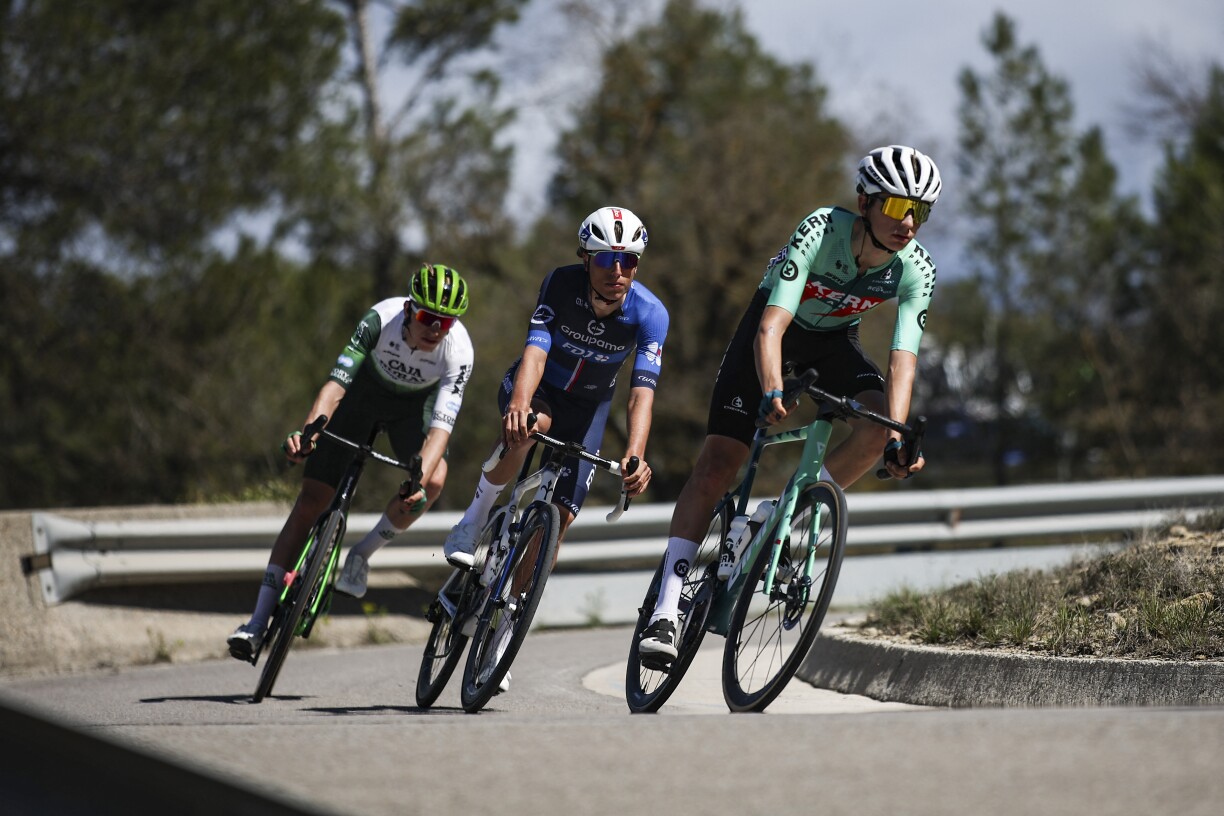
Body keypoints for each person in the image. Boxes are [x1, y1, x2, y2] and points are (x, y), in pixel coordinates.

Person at [638, 144, 941, 662]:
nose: (908, 222)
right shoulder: (821, 229)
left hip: (833, 342)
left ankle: (781, 513)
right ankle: (667, 607)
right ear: (865, 202)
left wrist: (896, 433)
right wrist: (773, 386)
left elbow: (902, 361)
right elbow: (771, 325)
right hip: (774, 330)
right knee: (718, 464)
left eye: (921, 210)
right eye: (896, 207)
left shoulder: (917, 269)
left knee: (875, 424)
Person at [441, 206, 669, 692]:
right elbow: (537, 351)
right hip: (542, 389)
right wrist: (519, 404)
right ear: (586, 258)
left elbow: (641, 392)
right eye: (608, 260)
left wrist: (635, 454)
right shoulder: (561, 284)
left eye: (630, 261)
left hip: (588, 410)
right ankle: (474, 519)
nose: (619, 272)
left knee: (560, 518)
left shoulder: (650, 314)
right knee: (530, 427)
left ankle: (504, 632)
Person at [227, 264, 474, 661]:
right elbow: (336, 385)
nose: (435, 330)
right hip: (363, 395)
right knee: (310, 503)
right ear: (410, 310)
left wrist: (416, 483)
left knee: (435, 479)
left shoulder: (459, 351)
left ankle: (361, 555)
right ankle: (256, 623)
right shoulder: (380, 319)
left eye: (445, 323)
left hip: (414, 409)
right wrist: (307, 434)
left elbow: (440, 432)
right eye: (428, 318)